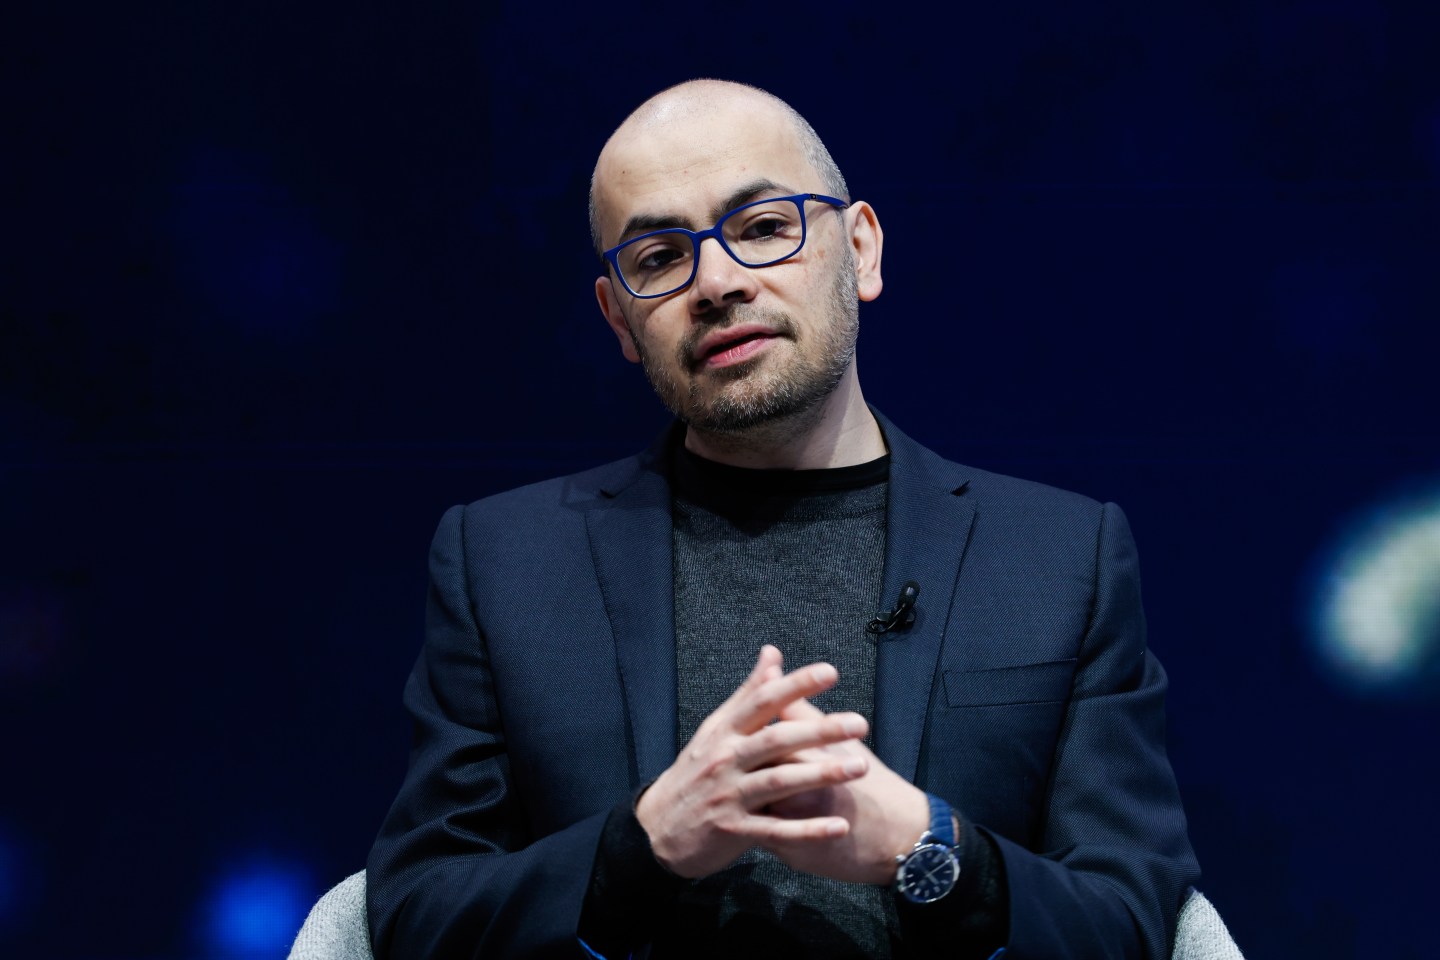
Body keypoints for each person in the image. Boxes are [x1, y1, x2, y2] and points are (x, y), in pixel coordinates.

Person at [367, 79, 1199, 959]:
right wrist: (641, 850)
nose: (718, 283)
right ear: (618, 318)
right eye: (658, 257)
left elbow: (1134, 927)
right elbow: (415, 918)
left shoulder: (1060, 560)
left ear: (862, 250)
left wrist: (932, 850)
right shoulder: (504, 564)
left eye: (764, 228)